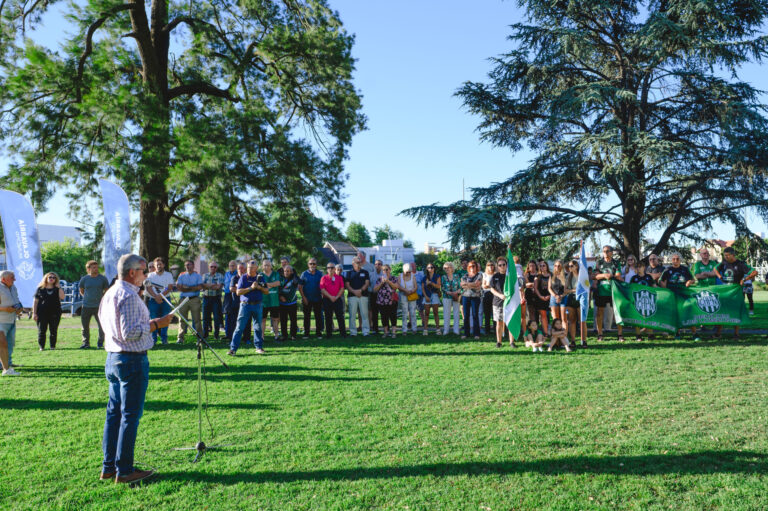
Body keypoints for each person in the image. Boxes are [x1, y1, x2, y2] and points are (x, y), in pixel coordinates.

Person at [98, 253, 173, 484]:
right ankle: (125, 471)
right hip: (130, 360)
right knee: (129, 417)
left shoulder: (111, 292)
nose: (147, 275)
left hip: (114, 358)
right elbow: (129, 333)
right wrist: (157, 324)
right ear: (132, 272)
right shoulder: (128, 295)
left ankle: (109, 467)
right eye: (144, 271)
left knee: (114, 414)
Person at [714, 247, 757, 339]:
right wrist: (720, 276)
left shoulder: (741, 264)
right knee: (721, 312)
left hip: (736, 293)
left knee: (736, 313)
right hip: (725, 292)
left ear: (733, 255)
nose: (725, 257)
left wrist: (745, 279)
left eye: (727, 255)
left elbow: (755, 272)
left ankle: (736, 334)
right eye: (724, 255)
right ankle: (718, 333)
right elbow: (715, 269)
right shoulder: (724, 262)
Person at [227, 260, 268, 355]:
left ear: (256, 268)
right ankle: (233, 349)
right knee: (239, 327)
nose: (249, 269)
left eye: (252, 268)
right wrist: (251, 288)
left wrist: (260, 288)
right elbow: (238, 292)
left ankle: (259, 347)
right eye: (248, 267)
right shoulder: (243, 278)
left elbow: (266, 291)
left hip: (257, 305)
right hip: (245, 305)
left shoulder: (260, 278)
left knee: (258, 327)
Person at [659, 252, 697, 340]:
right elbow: (661, 280)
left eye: (677, 259)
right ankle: (677, 333)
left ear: (680, 260)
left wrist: (689, 282)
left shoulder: (685, 269)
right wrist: (664, 287)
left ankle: (695, 333)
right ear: (671, 260)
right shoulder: (667, 270)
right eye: (673, 259)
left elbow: (693, 280)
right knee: (676, 314)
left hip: (683, 294)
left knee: (689, 312)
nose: (675, 261)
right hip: (673, 295)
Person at [594, 246, 624, 342]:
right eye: (603, 251)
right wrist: (603, 275)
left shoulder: (616, 262)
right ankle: (600, 334)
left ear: (611, 252)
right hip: (602, 291)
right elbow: (595, 276)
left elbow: (619, 276)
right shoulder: (599, 262)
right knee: (600, 312)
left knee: (617, 312)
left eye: (607, 251)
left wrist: (611, 275)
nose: (605, 253)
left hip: (614, 291)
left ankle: (620, 334)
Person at [78, 260, 109, 348]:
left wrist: (102, 299)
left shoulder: (102, 278)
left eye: (96, 267)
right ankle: (86, 343)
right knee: (85, 326)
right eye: (93, 267)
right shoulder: (84, 279)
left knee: (102, 326)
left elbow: (106, 291)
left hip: (99, 306)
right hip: (86, 306)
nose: (96, 269)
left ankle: (100, 343)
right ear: (88, 269)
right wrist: (87, 297)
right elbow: (81, 290)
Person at [145, 257, 175, 345]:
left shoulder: (168, 275)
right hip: (153, 300)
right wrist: (156, 296)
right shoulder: (150, 276)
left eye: (160, 264)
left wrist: (160, 296)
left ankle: (164, 339)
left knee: (166, 319)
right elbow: (148, 287)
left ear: (164, 265)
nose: (158, 266)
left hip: (166, 300)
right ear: (154, 266)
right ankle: (153, 340)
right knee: (153, 319)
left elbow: (169, 288)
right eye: (156, 264)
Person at [33, 272, 65, 350]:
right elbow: (35, 301)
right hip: (42, 313)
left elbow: (62, 297)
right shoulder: (40, 288)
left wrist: (59, 288)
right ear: (46, 278)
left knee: (53, 330)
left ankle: (52, 346)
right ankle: (41, 347)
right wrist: (34, 313)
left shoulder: (57, 288)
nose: (52, 279)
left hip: (55, 312)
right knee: (42, 330)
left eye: (54, 278)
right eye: (50, 277)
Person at [488, 257, 515, 348]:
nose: (502, 266)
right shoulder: (495, 276)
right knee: (499, 322)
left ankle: (512, 342)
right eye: (500, 265)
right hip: (498, 302)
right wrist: (500, 295)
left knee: (510, 322)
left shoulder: (510, 276)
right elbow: (491, 289)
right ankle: (499, 342)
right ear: (497, 266)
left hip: (510, 302)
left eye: (504, 264)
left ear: (507, 265)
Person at [0, 270, 23, 374]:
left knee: (9, 343)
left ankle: (7, 363)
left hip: (12, 319)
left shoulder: (13, 287)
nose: (15, 279)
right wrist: (5, 309)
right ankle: (5, 367)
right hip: (1, 320)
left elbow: (17, 300)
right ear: (3, 279)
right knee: (2, 343)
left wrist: (19, 307)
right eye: (12, 277)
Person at [176, 260, 204, 343]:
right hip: (183, 299)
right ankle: (180, 338)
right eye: (186, 265)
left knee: (197, 319)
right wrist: (192, 288)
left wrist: (186, 288)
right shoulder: (181, 276)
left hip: (194, 299)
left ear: (193, 265)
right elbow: (180, 288)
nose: (187, 266)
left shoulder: (198, 276)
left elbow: (199, 287)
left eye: (189, 265)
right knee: (182, 319)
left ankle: (200, 338)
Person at [630, 260, 655, 341]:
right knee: (637, 317)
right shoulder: (634, 278)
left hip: (648, 300)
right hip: (638, 300)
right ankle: (638, 335)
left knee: (649, 316)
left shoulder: (649, 277)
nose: (638, 268)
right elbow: (630, 289)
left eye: (640, 266)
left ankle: (650, 334)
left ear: (644, 267)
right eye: (637, 266)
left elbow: (654, 286)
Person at [299, 258, 324, 339]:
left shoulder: (320, 274)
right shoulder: (304, 274)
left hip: (317, 298)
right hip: (307, 299)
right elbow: (300, 287)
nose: (312, 265)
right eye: (311, 264)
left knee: (318, 316)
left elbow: (323, 286)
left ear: (316, 265)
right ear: (308, 264)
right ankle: (306, 333)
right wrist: (304, 297)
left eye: (314, 264)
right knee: (307, 317)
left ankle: (318, 333)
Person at [345, 257, 371, 337]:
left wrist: (360, 291)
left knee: (364, 315)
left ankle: (366, 332)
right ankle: (353, 332)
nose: (359, 264)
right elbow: (347, 285)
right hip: (352, 296)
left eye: (360, 262)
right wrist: (354, 292)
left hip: (363, 296)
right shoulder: (349, 273)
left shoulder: (365, 272)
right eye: (357, 262)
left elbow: (367, 283)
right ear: (353, 263)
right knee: (352, 315)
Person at [227, 262, 251, 344]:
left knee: (247, 322)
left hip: (246, 303)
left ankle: (246, 338)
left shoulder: (248, 277)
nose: (240, 270)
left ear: (245, 269)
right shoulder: (234, 277)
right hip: (236, 303)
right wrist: (243, 289)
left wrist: (239, 287)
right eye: (239, 268)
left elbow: (251, 289)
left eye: (242, 268)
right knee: (234, 322)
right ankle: (233, 339)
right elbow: (231, 289)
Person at [320, 262, 346, 338]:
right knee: (328, 317)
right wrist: (331, 297)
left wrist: (336, 297)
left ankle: (343, 333)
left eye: (332, 268)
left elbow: (342, 288)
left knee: (340, 317)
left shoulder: (339, 277)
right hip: (327, 300)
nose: (330, 269)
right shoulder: (324, 278)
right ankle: (329, 334)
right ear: (327, 269)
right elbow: (322, 289)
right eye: (329, 268)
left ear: (335, 269)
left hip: (337, 299)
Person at [202, 262, 225, 340]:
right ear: (209, 267)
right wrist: (213, 285)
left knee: (216, 317)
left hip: (216, 298)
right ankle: (205, 334)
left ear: (216, 268)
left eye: (215, 267)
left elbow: (218, 287)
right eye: (211, 266)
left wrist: (208, 285)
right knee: (205, 317)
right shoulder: (205, 275)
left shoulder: (220, 276)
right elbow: (202, 286)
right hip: (206, 298)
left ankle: (216, 335)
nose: (213, 268)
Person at [374, 264, 399, 338]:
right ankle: (386, 332)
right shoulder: (379, 279)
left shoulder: (394, 278)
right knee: (384, 317)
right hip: (381, 301)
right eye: (383, 270)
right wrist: (382, 282)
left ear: (390, 270)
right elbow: (375, 289)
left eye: (386, 269)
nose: (385, 271)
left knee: (393, 316)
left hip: (391, 300)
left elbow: (396, 287)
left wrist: (388, 281)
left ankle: (394, 332)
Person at [259, 259, 282, 340]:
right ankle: (262, 336)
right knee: (263, 320)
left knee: (275, 319)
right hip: (264, 301)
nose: (266, 267)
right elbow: (260, 286)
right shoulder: (260, 275)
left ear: (271, 266)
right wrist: (272, 285)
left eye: (268, 265)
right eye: (265, 265)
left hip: (274, 301)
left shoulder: (276, 274)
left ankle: (276, 335)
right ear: (262, 266)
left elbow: (278, 283)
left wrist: (266, 284)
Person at [460, 260, 483, 339]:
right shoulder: (465, 275)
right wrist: (472, 285)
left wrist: (467, 284)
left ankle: (476, 334)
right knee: (466, 316)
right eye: (470, 266)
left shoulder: (479, 275)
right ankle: (466, 333)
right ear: (468, 267)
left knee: (475, 315)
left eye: (473, 266)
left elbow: (477, 284)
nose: (472, 267)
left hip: (475, 297)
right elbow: (462, 285)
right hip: (465, 297)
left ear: (476, 267)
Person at [278, 265, 301, 340]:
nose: (286, 272)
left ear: (291, 272)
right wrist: (280, 296)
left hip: (292, 303)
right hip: (282, 304)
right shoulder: (280, 279)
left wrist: (294, 276)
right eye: (285, 271)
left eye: (288, 271)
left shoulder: (294, 278)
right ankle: (284, 335)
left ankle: (293, 335)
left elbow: (298, 281)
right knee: (283, 320)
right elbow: (277, 289)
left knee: (293, 320)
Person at [396, 263, 419, 335]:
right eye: (407, 272)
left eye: (410, 272)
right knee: (404, 313)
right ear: (403, 270)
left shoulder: (413, 276)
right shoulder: (400, 276)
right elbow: (398, 286)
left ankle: (414, 328)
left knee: (413, 312)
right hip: (403, 295)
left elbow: (416, 286)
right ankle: (404, 330)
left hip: (412, 295)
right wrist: (405, 291)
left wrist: (411, 291)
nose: (408, 273)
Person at [441, 261, 461, 336]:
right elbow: (442, 287)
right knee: (446, 314)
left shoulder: (457, 276)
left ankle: (456, 330)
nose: (446, 269)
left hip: (456, 296)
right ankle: (446, 330)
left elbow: (460, 287)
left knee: (456, 314)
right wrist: (448, 292)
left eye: (448, 267)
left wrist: (456, 292)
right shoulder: (443, 277)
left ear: (452, 268)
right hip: (447, 297)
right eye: (445, 268)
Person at [548, 260, 567, 337]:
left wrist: (561, 296)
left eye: (559, 265)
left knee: (563, 319)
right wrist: (555, 296)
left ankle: (564, 336)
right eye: (555, 265)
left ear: (562, 266)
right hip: (554, 298)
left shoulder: (566, 275)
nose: (557, 267)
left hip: (564, 297)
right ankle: (556, 337)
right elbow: (549, 288)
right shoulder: (551, 275)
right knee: (556, 319)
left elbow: (567, 289)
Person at [421, 263, 442, 335]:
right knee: (426, 313)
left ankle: (438, 329)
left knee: (435, 313)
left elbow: (439, 286)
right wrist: (426, 296)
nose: (431, 269)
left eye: (432, 267)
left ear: (434, 268)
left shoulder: (437, 276)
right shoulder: (424, 277)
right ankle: (425, 330)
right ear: (427, 269)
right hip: (427, 296)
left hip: (435, 295)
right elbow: (422, 288)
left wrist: (431, 283)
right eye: (429, 267)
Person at [564, 261, 580, 346]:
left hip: (580, 298)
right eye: (569, 266)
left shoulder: (582, 276)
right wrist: (574, 290)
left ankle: (583, 340)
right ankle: (573, 340)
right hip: (571, 298)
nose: (569, 268)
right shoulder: (568, 277)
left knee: (582, 320)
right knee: (572, 320)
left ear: (576, 266)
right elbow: (565, 290)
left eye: (571, 266)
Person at [222, 260, 240, 341]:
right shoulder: (226, 274)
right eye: (230, 265)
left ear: (236, 266)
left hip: (235, 295)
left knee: (234, 315)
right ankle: (227, 334)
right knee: (227, 315)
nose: (231, 267)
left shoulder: (238, 274)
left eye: (233, 265)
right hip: (227, 296)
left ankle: (234, 334)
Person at [533, 260, 552, 335]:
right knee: (543, 316)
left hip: (551, 297)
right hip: (540, 298)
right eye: (540, 266)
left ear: (547, 266)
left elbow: (554, 287)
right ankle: (546, 333)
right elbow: (536, 288)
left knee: (553, 315)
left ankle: (555, 331)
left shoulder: (552, 275)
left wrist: (550, 296)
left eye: (543, 265)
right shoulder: (537, 276)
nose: (542, 267)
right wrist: (541, 296)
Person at [369, 260, 385, 334]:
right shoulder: (371, 274)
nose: (377, 265)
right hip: (373, 295)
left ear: (382, 265)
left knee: (383, 313)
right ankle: (375, 329)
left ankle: (385, 329)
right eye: (376, 264)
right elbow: (368, 285)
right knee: (374, 313)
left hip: (383, 296)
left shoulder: (384, 275)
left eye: (379, 264)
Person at [481, 261, 496, 336]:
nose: (490, 266)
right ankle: (487, 331)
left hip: (495, 295)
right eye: (488, 265)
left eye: (492, 265)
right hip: (486, 295)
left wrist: (488, 285)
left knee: (494, 314)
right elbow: (483, 286)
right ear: (486, 266)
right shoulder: (484, 274)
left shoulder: (496, 274)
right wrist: (489, 285)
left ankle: (496, 330)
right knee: (486, 314)